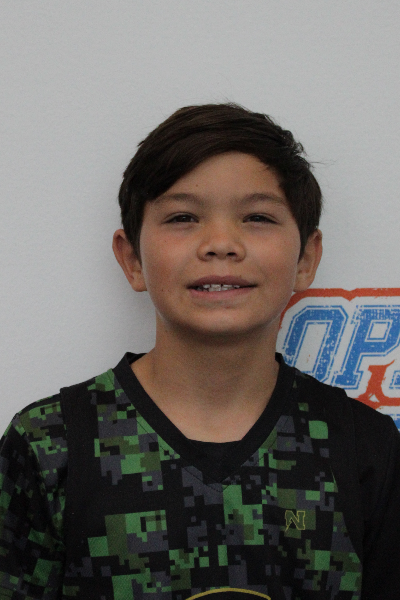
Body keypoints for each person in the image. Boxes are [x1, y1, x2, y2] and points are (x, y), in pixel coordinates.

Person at [0, 104, 399, 600]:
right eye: (183, 217)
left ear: (306, 258)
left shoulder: (364, 447)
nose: (221, 244)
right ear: (132, 258)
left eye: (257, 217)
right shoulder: (51, 444)